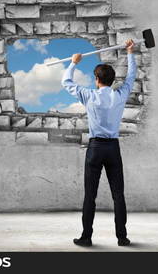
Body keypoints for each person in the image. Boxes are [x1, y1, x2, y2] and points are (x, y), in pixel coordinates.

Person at [61, 38, 137, 247]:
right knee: (118, 195)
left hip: (95, 149)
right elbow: (131, 77)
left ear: (96, 79)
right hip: (113, 148)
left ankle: (86, 237)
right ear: (112, 80)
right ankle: (122, 237)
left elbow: (66, 83)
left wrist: (73, 62)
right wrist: (130, 53)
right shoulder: (119, 95)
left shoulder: (89, 95)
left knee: (90, 196)